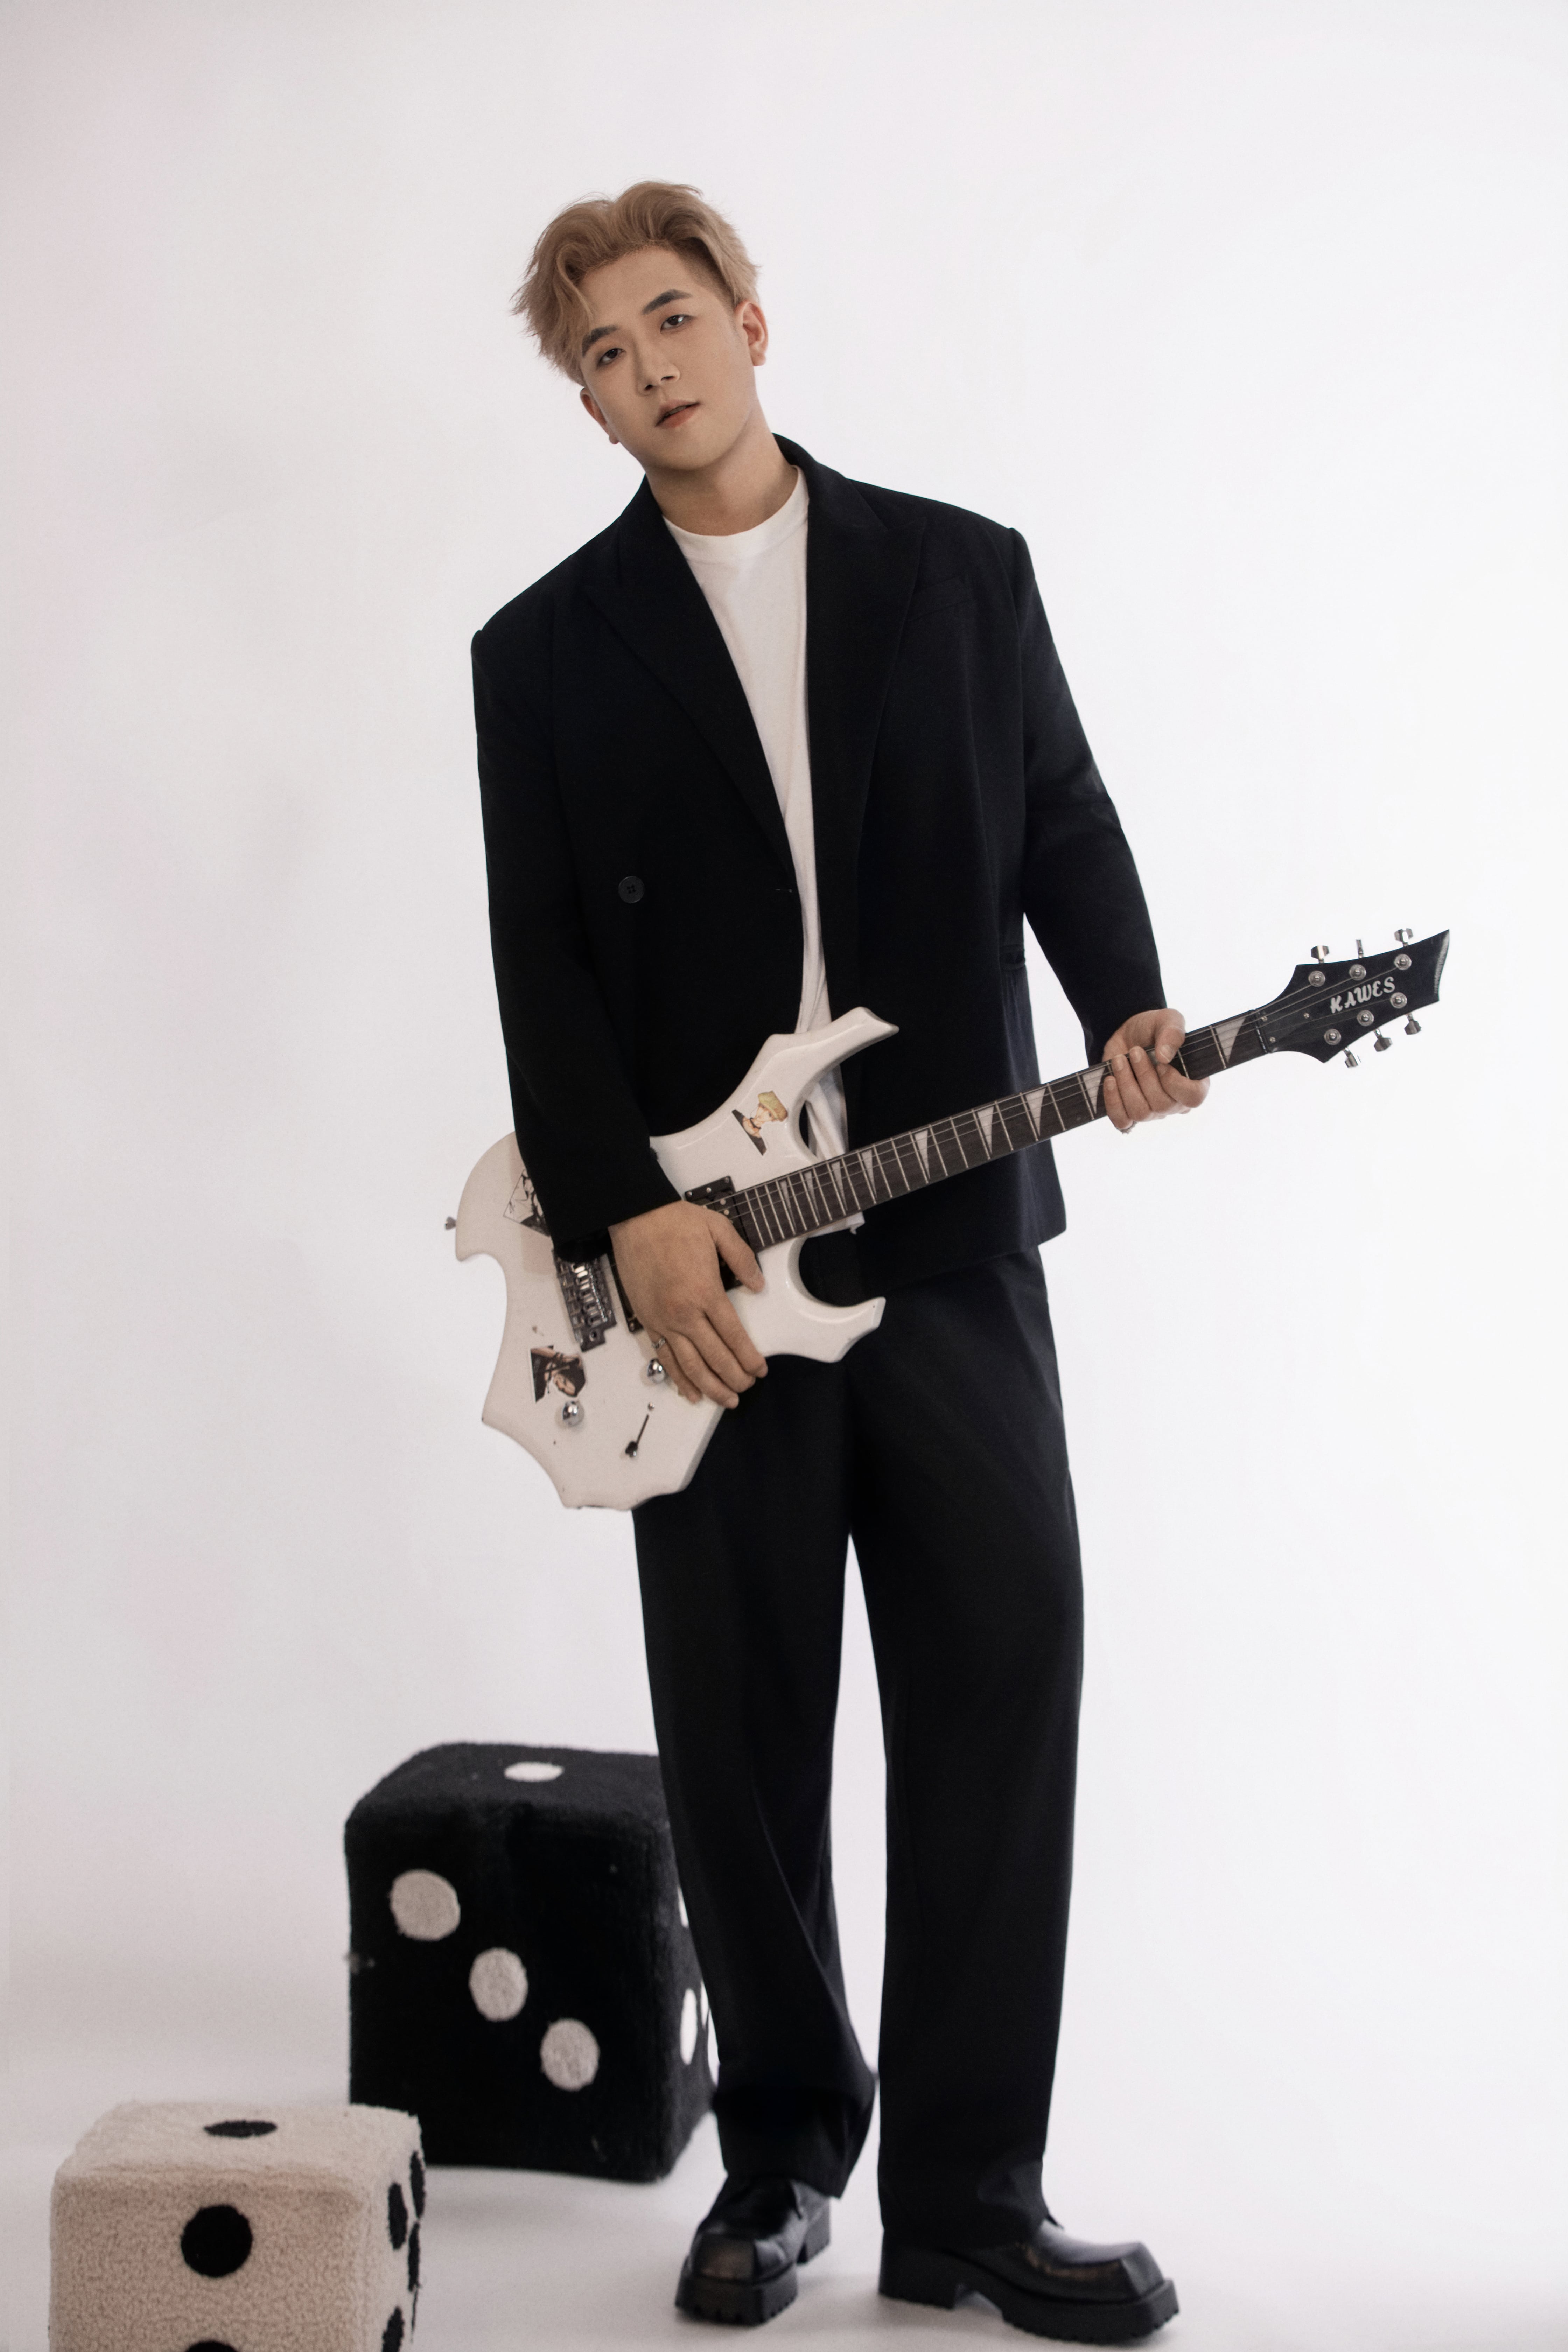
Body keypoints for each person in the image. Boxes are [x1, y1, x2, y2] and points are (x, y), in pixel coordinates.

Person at [472, 181, 1207, 2340]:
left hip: (953, 1228)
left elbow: (1062, 813)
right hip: (705, 1271)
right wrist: (628, 1216)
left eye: (673, 317)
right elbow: (538, 958)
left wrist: (1131, 1006)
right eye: (605, 354)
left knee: (1005, 1668)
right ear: (587, 401)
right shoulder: (541, 654)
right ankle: (784, 2156)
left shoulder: (962, 574)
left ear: (752, 317)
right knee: (743, 1717)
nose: (651, 369)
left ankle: (975, 2195)